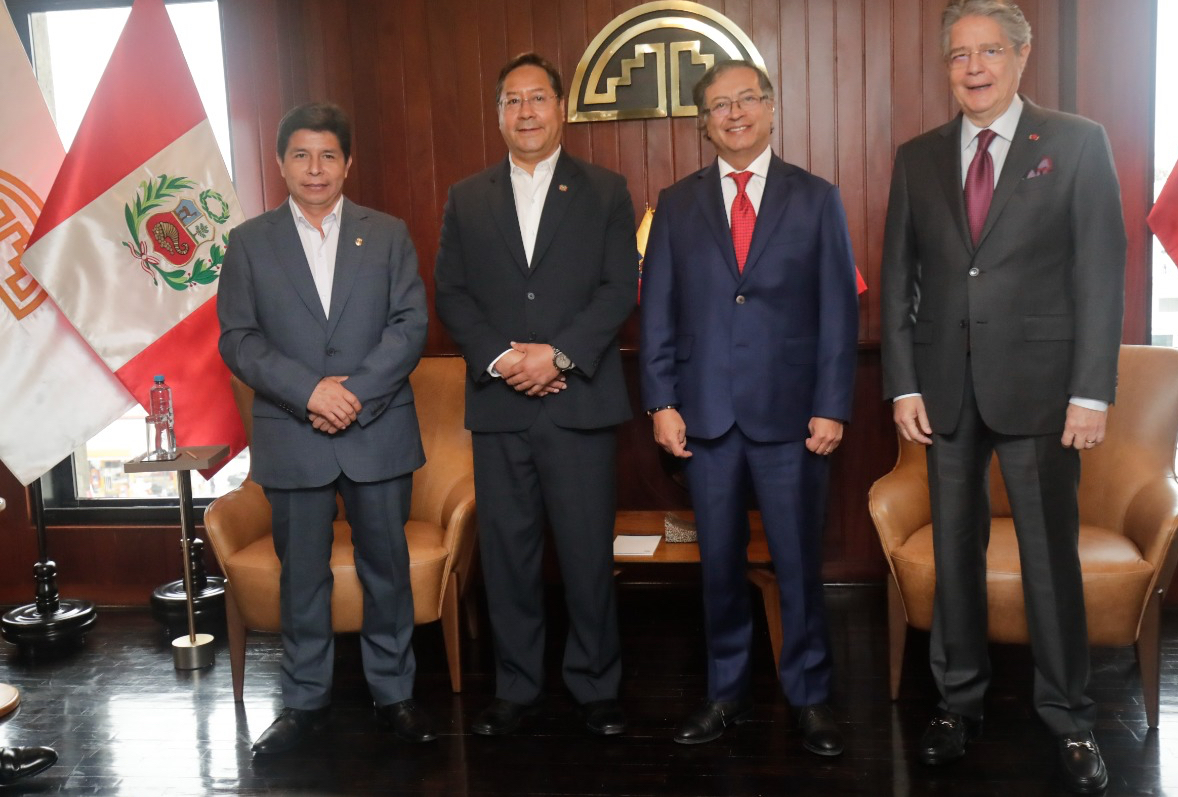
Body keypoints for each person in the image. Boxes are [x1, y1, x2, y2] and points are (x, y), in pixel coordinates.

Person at [880, 0, 1126, 794]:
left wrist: (1092, 391)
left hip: (1045, 390)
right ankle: (958, 703)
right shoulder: (917, 157)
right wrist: (902, 383)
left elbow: (1100, 273)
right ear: (947, 66)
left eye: (989, 51)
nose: (974, 67)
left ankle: (1069, 714)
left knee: (1049, 556)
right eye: (959, 53)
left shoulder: (1079, 143)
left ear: (1023, 57)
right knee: (955, 552)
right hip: (944, 390)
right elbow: (898, 278)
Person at [639, 59, 860, 757]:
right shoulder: (674, 204)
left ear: (770, 108)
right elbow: (658, 314)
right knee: (720, 566)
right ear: (703, 121)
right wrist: (661, 401)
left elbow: (837, 313)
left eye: (745, 100)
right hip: (703, 418)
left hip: (793, 419)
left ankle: (810, 696)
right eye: (717, 106)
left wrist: (832, 405)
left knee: (797, 563)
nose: (733, 114)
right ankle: (726, 693)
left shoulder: (817, 198)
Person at [217, 103, 433, 754]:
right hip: (293, 430)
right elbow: (239, 339)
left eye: (329, 155)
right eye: (302, 155)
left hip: (377, 428)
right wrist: (308, 391)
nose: (316, 168)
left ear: (348, 164)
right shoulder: (249, 242)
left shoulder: (388, 233)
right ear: (281, 164)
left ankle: (394, 695)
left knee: (386, 569)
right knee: (301, 575)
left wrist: (354, 393)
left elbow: (410, 326)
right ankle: (303, 702)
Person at [434, 53, 636, 738]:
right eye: (512, 101)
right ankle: (516, 686)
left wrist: (558, 354)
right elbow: (452, 293)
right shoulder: (466, 197)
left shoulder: (606, 191)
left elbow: (618, 288)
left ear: (561, 108)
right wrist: (501, 359)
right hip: (500, 405)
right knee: (508, 553)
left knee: (586, 553)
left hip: (577, 401)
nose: (526, 112)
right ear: (498, 115)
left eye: (538, 98)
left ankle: (596, 684)